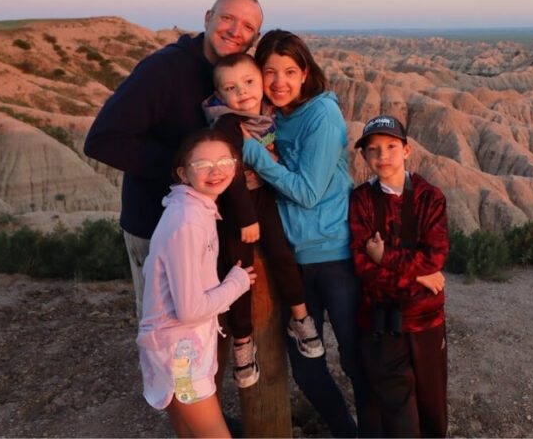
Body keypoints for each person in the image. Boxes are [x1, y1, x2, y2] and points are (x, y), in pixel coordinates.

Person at [83, 0, 263, 319]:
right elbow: (102, 140)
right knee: (167, 329)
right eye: (227, 18)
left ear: (255, 37)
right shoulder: (164, 69)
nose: (236, 30)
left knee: (201, 327)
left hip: (205, 228)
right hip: (157, 227)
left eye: (247, 26)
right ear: (208, 18)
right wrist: (188, 169)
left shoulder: (233, 77)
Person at [240, 29, 376, 437]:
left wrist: (251, 154)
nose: (279, 81)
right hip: (291, 263)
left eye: (289, 71)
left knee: (355, 358)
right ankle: (346, 431)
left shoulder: (322, 115)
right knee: (306, 368)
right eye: (269, 72)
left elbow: (307, 192)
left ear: (305, 73)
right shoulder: (270, 117)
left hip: (334, 256)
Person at [202, 54, 325, 388]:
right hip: (236, 206)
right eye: (231, 88)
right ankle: (243, 341)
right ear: (220, 96)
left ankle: (300, 317)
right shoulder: (228, 124)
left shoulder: (268, 114)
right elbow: (231, 172)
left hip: (266, 199)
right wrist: (245, 217)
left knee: (282, 255)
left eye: (249, 82)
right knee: (240, 274)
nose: (242, 92)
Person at [137, 129, 258, 438]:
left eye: (224, 160)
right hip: (181, 356)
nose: (216, 171)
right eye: (203, 164)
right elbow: (190, 310)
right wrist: (237, 282)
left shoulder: (193, 209)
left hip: (173, 347)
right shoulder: (188, 222)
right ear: (183, 172)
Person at [349, 115, 449, 438]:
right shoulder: (361, 200)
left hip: (425, 321)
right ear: (364, 156)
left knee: (432, 406)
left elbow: (434, 257)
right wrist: (418, 278)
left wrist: (385, 257)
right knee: (396, 412)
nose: (383, 156)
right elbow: (363, 267)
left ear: (406, 151)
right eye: (373, 149)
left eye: (391, 147)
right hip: (380, 322)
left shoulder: (429, 198)